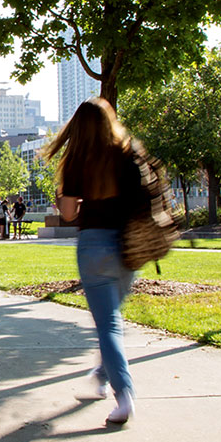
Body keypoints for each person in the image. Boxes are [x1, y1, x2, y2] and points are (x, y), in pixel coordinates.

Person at [44, 98, 146, 425]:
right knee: (111, 320)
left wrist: (62, 197)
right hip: (129, 248)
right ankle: (101, 377)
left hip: (94, 247)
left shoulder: (78, 161)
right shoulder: (128, 153)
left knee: (108, 325)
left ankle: (124, 394)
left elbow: (70, 213)